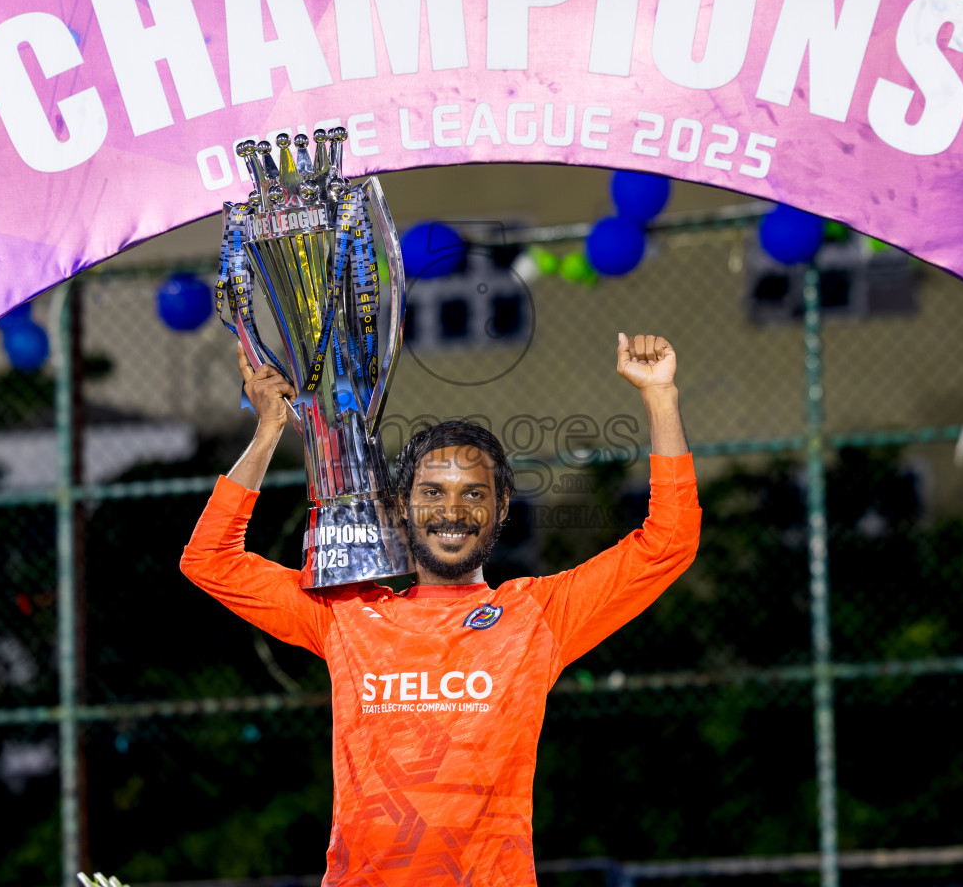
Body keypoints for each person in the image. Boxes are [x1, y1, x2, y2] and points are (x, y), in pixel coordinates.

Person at [180, 333, 701, 885]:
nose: (452, 510)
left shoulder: (537, 616)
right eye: (431, 493)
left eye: (474, 494)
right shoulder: (347, 615)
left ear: (502, 510)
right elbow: (209, 560)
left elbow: (669, 541)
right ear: (401, 511)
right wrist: (267, 433)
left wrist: (660, 397)